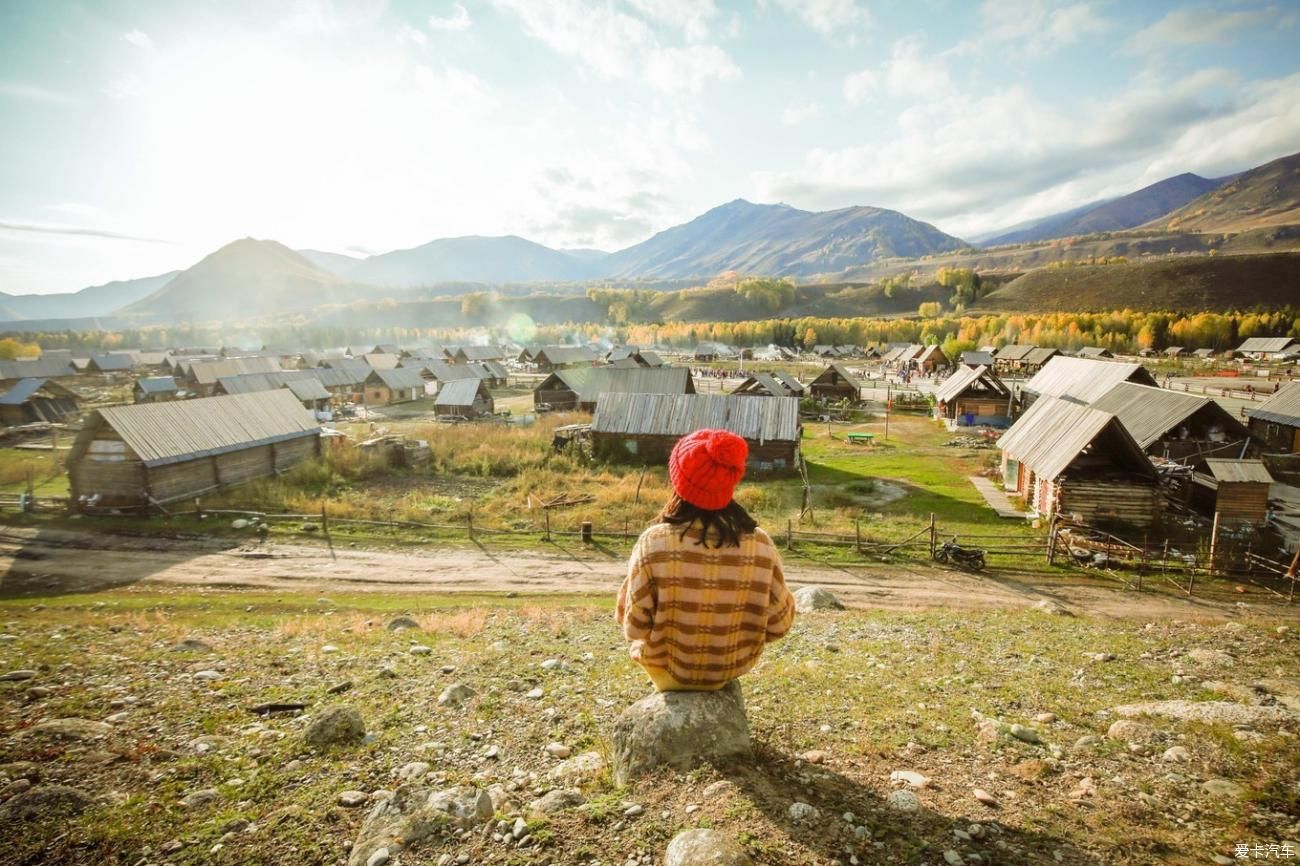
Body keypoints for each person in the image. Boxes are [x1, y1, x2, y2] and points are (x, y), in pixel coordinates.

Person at [616, 429, 796, 692]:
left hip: (665, 672)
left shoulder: (653, 543)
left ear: (678, 481)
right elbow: (780, 626)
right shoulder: (761, 544)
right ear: (731, 481)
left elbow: (633, 628)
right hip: (729, 668)